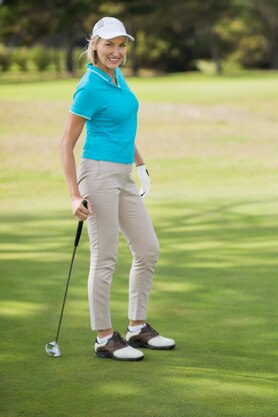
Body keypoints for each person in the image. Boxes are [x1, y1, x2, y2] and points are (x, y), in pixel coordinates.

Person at [59, 17, 175, 361]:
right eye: (109, 44)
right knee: (105, 256)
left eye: (121, 45)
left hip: (123, 174)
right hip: (97, 174)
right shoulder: (89, 86)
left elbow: (122, 126)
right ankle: (104, 337)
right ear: (94, 44)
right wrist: (73, 195)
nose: (116, 51)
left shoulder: (117, 77)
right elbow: (65, 145)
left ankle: (137, 328)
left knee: (148, 249)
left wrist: (140, 164)